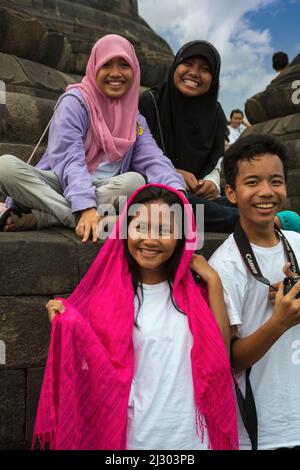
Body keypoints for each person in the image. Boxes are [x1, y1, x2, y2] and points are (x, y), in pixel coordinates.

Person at [33, 184, 238, 450]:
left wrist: (214, 280)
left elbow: (221, 357)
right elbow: (91, 369)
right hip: (136, 439)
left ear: (181, 237)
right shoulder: (107, 297)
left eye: (164, 230)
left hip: (193, 439)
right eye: (140, 227)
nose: (150, 240)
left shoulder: (198, 290)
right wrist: (65, 325)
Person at [0, 35, 185, 241]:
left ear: (134, 70)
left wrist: (178, 194)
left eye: (124, 65)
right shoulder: (74, 102)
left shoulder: (135, 118)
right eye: (106, 65)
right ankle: (87, 220)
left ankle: (45, 217)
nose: (115, 73)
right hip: (62, 181)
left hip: (106, 188)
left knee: (134, 181)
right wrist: (85, 206)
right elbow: (70, 159)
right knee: (5, 166)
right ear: (95, 66)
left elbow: (153, 159)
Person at [209, 134, 300, 450]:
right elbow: (230, 360)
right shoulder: (223, 265)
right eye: (252, 182)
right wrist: (279, 322)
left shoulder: (298, 244)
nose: (266, 192)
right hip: (264, 429)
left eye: (275, 181)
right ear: (231, 193)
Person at [139, 40, 240, 233]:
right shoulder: (150, 102)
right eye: (188, 64)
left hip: (199, 196)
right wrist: (172, 172)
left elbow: (214, 157)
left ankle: (249, 218)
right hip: (156, 187)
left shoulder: (215, 112)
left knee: (238, 199)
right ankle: (257, 223)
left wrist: (210, 183)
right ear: (176, 66)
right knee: (180, 204)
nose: (194, 73)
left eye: (204, 69)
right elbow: (135, 156)